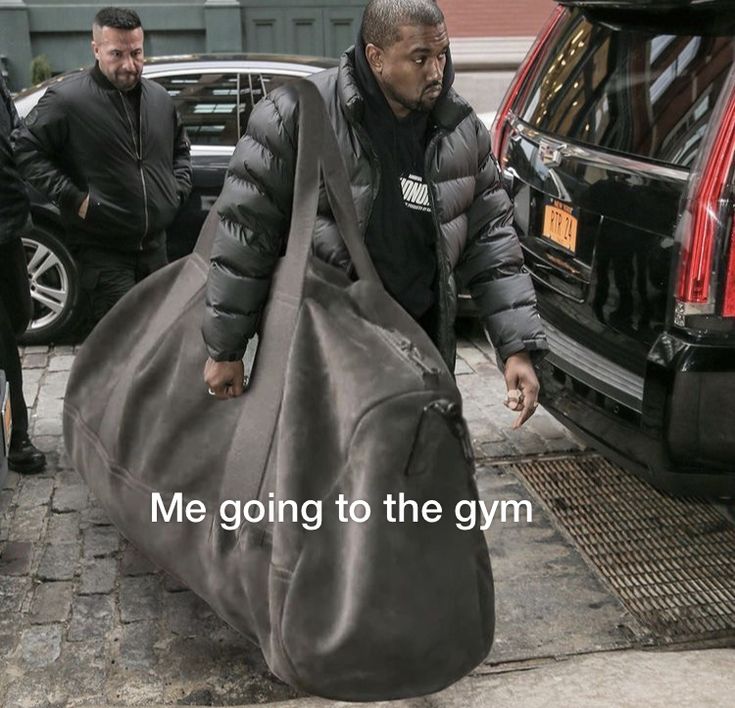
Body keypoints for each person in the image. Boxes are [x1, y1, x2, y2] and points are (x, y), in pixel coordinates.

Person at [202, 0, 547, 428]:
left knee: (411, 485)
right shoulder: (293, 115)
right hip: (322, 356)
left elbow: (493, 241)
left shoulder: (460, 129)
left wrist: (515, 347)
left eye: (442, 55)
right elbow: (244, 236)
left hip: (419, 354)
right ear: (376, 57)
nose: (437, 72)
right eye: (420, 58)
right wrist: (226, 349)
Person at [13, 6, 192, 333]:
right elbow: (24, 148)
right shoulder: (67, 100)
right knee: (122, 344)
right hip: (104, 251)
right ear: (96, 50)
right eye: (117, 54)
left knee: (160, 341)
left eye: (136, 53)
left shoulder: (159, 99)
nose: (129, 64)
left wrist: (176, 191)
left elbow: (181, 149)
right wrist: (73, 198)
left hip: (155, 249)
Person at [0, 74, 46, 474]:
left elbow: (15, 136)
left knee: (20, 315)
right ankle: (17, 440)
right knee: (4, 342)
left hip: (9, 224)